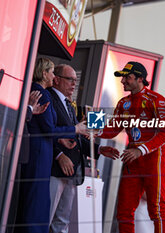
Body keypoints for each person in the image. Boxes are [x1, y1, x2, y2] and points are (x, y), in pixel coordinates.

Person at [16, 58, 88, 233]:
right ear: (44, 73)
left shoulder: (58, 100)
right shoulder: (42, 92)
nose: (53, 76)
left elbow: (46, 128)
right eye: (52, 72)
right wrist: (75, 129)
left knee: (42, 208)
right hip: (41, 154)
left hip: (44, 152)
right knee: (37, 206)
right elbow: (48, 129)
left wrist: (63, 138)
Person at [98, 61, 165, 233]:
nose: (123, 81)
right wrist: (90, 128)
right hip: (132, 161)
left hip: (153, 160)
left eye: (127, 77)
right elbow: (112, 129)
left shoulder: (157, 100)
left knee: (157, 209)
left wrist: (140, 150)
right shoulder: (123, 103)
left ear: (140, 79)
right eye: (122, 78)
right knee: (124, 211)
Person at [47, 64, 118, 232]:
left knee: (62, 221)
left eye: (75, 80)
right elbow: (45, 131)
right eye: (70, 79)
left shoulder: (69, 105)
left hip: (73, 171)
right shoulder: (48, 98)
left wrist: (99, 150)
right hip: (55, 169)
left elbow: (77, 136)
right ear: (56, 79)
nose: (74, 84)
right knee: (46, 217)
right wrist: (59, 155)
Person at [7, 90, 49, 233]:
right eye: (51, 72)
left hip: (23, 156)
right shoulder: (38, 93)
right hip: (15, 155)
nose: (53, 76)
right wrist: (30, 109)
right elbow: (18, 117)